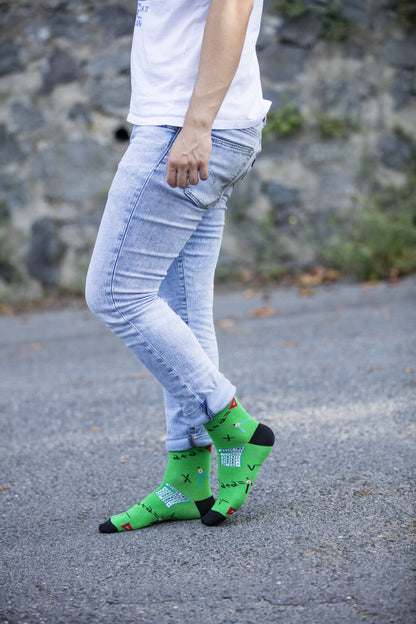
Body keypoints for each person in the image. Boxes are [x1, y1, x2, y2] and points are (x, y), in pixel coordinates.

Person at [85, 0, 275, 532]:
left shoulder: (190, 128)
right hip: (194, 125)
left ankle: (234, 426)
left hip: (186, 129)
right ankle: (188, 479)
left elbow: (232, 6)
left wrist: (196, 127)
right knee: (182, 313)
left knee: (115, 293)